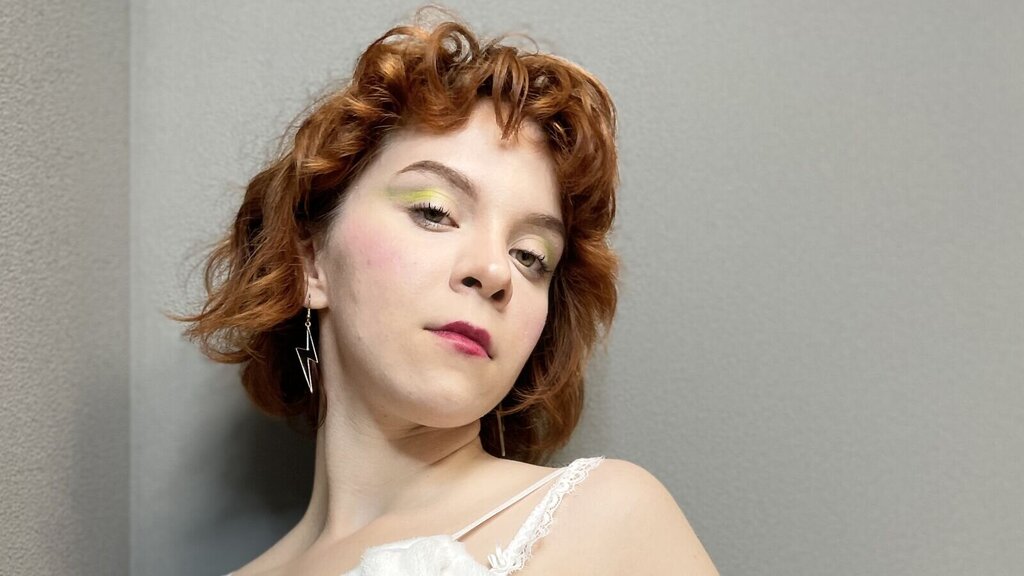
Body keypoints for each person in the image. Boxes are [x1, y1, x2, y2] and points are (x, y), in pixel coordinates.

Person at [178, 9, 718, 576]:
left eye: (531, 256)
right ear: (310, 261)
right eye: (435, 212)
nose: (494, 270)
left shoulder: (603, 521)